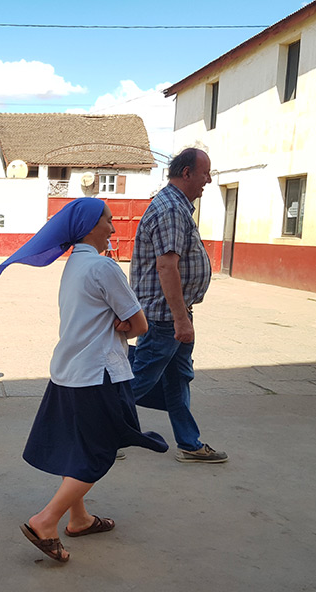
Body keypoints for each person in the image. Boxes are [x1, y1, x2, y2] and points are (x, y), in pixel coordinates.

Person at [0, 198, 168, 563]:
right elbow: (140, 325)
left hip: (69, 372)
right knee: (99, 451)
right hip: (98, 375)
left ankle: (79, 518)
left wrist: (116, 321)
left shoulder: (75, 264)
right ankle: (46, 520)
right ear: (90, 225)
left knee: (78, 447)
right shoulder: (104, 267)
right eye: (107, 220)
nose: (113, 227)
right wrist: (123, 324)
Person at [128, 148, 228, 463]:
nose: (208, 181)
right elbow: (167, 267)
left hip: (175, 314)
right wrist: (181, 320)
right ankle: (95, 431)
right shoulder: (171, 208)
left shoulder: (178, 206)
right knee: (140, 381)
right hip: (165, 318)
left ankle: (189, 442)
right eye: (204, 174)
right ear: (186, 173)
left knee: (178, 378)